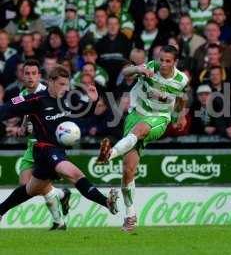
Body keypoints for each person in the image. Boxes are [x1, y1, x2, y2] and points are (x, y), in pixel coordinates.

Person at [0, 65, 118, 225]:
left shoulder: (67, 99)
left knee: (30, 189)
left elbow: (85, 112)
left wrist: (93, 101)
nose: (65, 88)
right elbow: (7, 108)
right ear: (50, 81)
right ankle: (107, 202)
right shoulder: (36, 99)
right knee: (74, 174)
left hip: (55, 151)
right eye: (61, 84)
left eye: (66, 84)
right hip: (44, 149)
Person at [96, 45, 189, 232]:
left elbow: (181, 98)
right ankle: (131, 216)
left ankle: (109, 154)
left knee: (140, 130)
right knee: (128, 170)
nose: (163, 64)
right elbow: (126, 71)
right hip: (136, 114)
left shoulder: (181, 79)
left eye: (168, 61)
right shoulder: (151, 67)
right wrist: (138, 68)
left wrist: (180, 115)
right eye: (161, 59)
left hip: (159, 119)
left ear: (175, 62)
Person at [17, 60, 71, 230]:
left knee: (34, 186)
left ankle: (59, 219)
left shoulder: (48, 92)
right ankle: (61, 197)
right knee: (25, 185)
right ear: (22, 75)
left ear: (40, 76)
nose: (30, 76)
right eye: (27, 73)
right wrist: (23, 127)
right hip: (32, 145)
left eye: (34, 73)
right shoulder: (23, 93)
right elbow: (27, 116)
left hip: (47, 146)